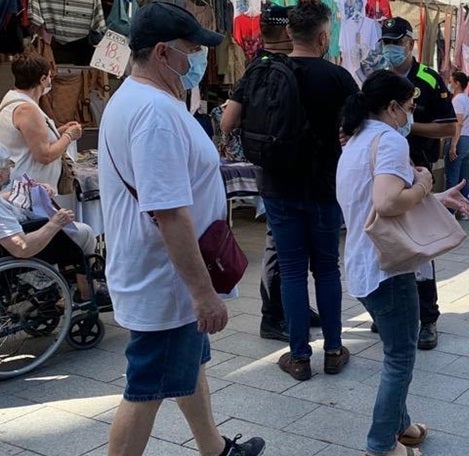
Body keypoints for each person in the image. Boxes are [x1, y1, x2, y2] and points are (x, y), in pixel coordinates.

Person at [98, 3, 265, 455]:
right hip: (167, 279)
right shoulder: (155, 113)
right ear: (161, 53)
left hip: (161, 273)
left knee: (188, 366)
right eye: (192, 49)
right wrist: (202, 293)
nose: (199, 59)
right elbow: (169, 212)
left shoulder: (136, 99)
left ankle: (215, 449)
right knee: (146, 388)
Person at [336, 70, 469, 456]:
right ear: (394, 107)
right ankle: (381, 445)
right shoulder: (389, 141)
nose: (411, 115)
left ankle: (403, 427)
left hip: (365, 263)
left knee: (397, 348)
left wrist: (432, 196)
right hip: (389, 267)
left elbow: (375, 199)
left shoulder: (356, 140)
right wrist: (425, 185)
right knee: (400, 357)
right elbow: (387, 203)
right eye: (411, 107)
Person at [227, 1, 356, 380]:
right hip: (324, 188)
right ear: (322, 36)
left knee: (293, 271)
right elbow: (359, 130)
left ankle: (299, 356)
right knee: (328, 270)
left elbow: (229, 121)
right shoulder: (338, 78)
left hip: (279, 186)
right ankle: (333, 350)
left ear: (288, 33)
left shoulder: (261, 70)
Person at [219, 3, 322, 343]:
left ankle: (287, 309)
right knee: (289, 246)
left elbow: (226, 122)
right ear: (288, 31)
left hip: (268, 169)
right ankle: (274, 316)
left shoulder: (255, 68)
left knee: (279, 243)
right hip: (304, 169)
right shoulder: (299, 67)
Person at [382, 16, 456, 350]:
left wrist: (411, 129)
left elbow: (448, 127)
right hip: (384, 171)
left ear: (411, 44)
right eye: (386, 43)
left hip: (419, 171)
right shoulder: (379, 77)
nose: (391, 49)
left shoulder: (427, 79)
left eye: (397, 43)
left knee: (421, 246)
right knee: (388, 244)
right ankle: (391, 313)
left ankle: (428, 318)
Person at [0, 141, 99, 302]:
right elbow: (21, 248)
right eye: (8, 166)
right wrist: (55, 223)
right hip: (16, 254)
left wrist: (23, 192)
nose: (10, 169)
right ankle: (88, 293)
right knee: (85, 233)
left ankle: (54, 289)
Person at [0, 53, 83, 210]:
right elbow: (44, 155)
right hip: (30, 194)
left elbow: (29, 139)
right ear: (42, 80)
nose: (50, 81)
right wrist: (69, 136)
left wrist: (59, 132)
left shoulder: (11, 102)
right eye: (49, 77)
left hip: (21, 188)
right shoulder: (27, 109)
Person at [444, 71, 469, 197]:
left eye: (451, 81)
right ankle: (464, 208)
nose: (449, 84)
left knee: (452, 178)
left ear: (457, 83)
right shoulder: (466, 99)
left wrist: (453, 145)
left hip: (459, 140)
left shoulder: (457, 100)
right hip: (467, 139)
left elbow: (458, 123)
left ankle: (450, 211)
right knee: (463, 178)